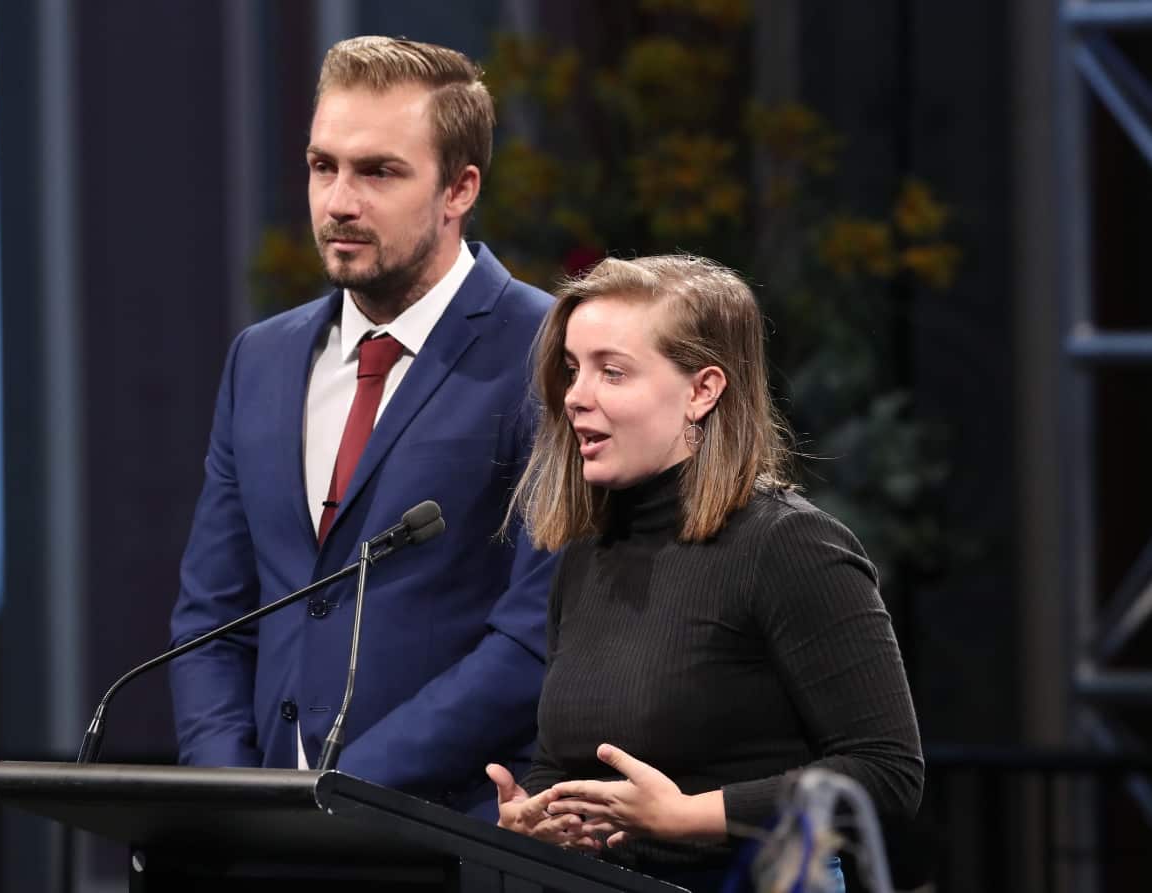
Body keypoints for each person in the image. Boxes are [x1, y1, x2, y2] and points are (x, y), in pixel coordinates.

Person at [169, 36, 557, 816]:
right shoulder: (261, 358)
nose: (339, 201)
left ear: (459, 189)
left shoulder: (546, 351)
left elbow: (532, 638)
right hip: (266, 841)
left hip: (449, 830)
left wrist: (339, 790)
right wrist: (235, 797)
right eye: (323, 166)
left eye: (378, 171)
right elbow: (212, 617)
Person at [485, 255, 923, 888]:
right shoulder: (588, 552)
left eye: (612, 372)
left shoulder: (790, 545)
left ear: (703, 390)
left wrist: (691, 816)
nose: (575, 397)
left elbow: (887, 774)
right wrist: (544, 814)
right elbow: (565, 758)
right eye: (574, 370)